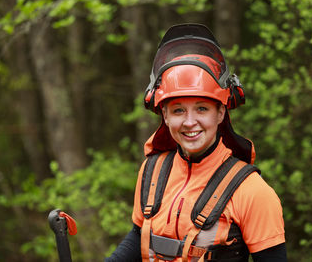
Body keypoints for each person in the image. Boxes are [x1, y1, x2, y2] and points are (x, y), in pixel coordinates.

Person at [105, 23, 286, 262]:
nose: (190, 122)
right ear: (165, 115)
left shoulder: (252, 191)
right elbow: (139, 237)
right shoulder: (152, 171)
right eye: (178, 110)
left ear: (220, 113)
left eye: (202, 108)